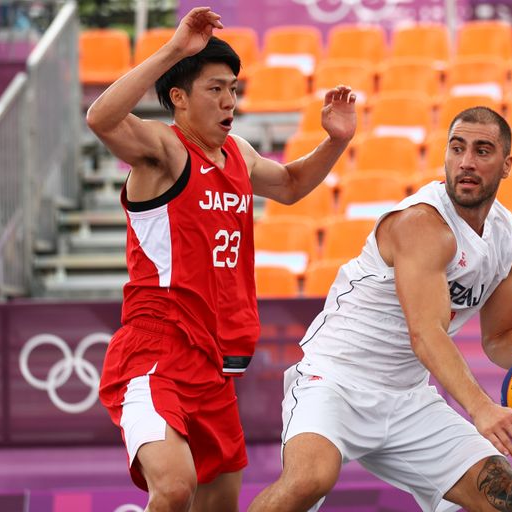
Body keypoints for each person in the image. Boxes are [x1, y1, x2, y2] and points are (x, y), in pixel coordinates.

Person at [86, 7, 356, 512]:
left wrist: (335, 142)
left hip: (216, 363)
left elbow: (293, 185)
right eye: (215, 89)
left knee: (219, 503)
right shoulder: (164, 150)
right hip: (158, 348)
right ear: (179, 98)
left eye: (233, 88)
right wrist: (174, 49)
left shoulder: (239, 153)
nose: (229, 100)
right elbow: (101, 118)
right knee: (173, 486)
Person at [248, 107, 512, 512]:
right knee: (309, 480)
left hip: (407, 397)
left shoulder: (507, 234)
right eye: (457, 148)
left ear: (507, 164)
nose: (466, 162)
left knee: (506, 498)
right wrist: (481, 409)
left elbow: (499, 337)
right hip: (335, 380)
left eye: (482, 150)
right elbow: (426, 334)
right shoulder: (422, 224)